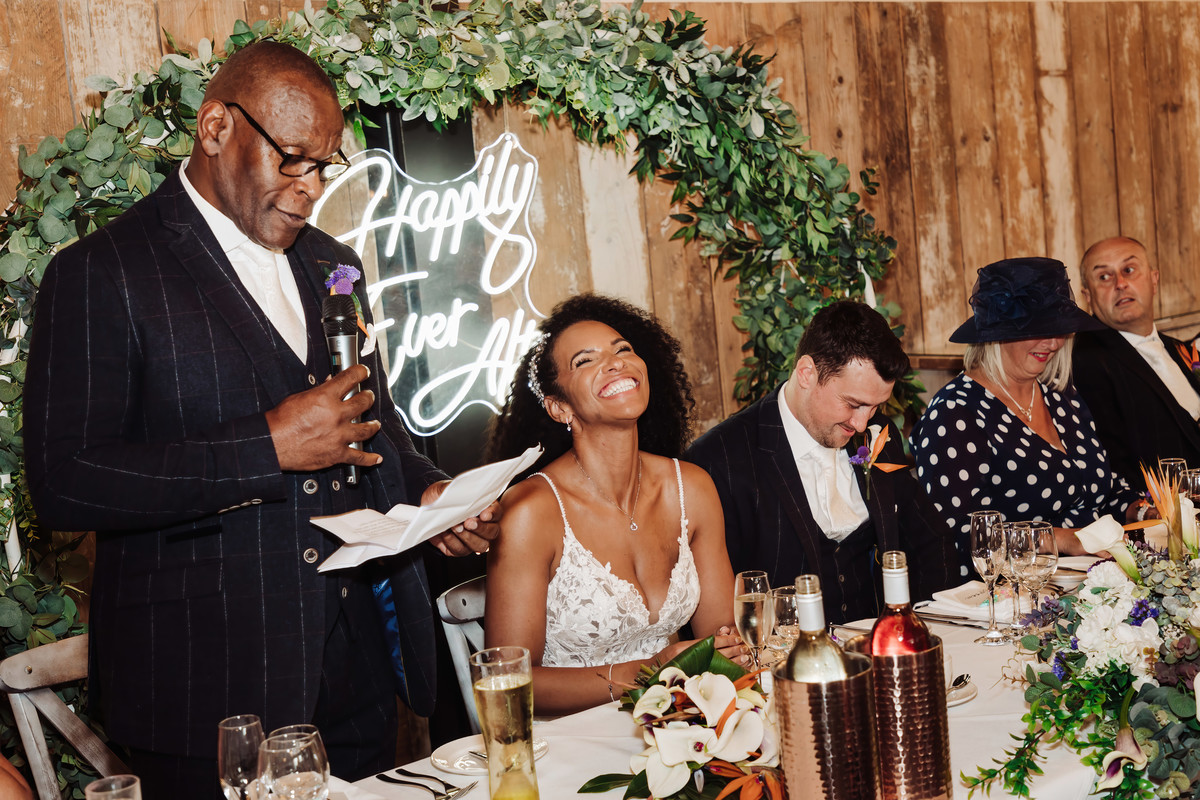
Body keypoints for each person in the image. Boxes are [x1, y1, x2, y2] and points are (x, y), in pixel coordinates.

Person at [24, 42, 498, 796]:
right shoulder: (100, 273)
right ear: (216, 126)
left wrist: (434, 494)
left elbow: (375, 428)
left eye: (324, 165)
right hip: (206, 692)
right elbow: (64, 479)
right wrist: (265, 446)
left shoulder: (332, 261)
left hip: (358, 671)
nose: (310, 187)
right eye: (292, 160)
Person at [484, 294, 742, 716]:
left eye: (623, 349)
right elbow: (508, 682)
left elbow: (722, 640)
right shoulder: (531, 511)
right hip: (568, 745)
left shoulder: (692, 488)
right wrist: (649, 671)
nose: (616, 362)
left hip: (681, 729)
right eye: (585, 361)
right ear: (559, 407)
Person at [685, 300, 957, 624]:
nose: (861, 424)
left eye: (874, 407)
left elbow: (931, 540)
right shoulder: (719, 461)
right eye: (853, 404)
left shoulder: (879, 436)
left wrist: (924, 627)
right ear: (807, 373)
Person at [912, 257, 1146, 573]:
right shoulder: (956, 413)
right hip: (1014, 598)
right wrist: (1061, 539)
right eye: (1038, 330)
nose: (1052, 343)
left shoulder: (1062, 396)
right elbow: (960, 535)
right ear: (997, 333)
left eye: (1060, 329)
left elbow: (1100, 490)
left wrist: (1140, 510)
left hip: (1094, 580)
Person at [1072, 236, 1200, 490]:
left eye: (1129, 270)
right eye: (1104, 277)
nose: (1120, 284)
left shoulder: (1180, 349)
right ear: (1087, 296)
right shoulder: (1084, 362)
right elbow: (1112, 464)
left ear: (1154, 279)